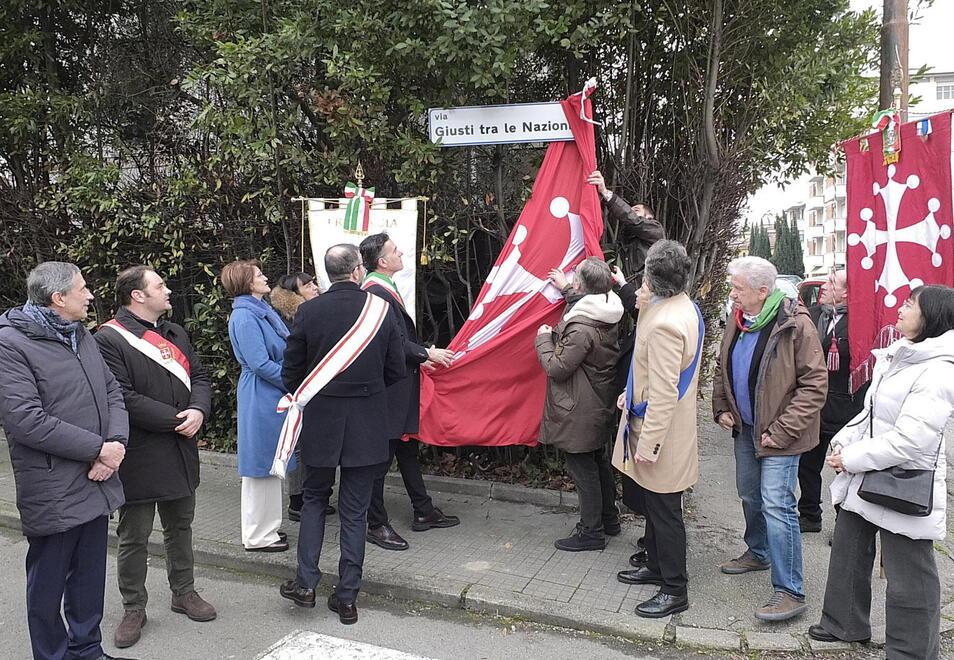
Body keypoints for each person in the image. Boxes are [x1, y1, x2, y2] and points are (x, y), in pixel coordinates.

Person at [808, 284, 954, 658]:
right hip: (869, 468)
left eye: (910, 304)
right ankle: (843, 623)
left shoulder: (938, 371)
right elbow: (871, 413)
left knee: (910, 574)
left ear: (932, 318)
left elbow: (911, 440)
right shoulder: (900, 356)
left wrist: (852, 458)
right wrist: (843, 441)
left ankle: (912, 651)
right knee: (849, 547)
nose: (901, 309)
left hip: (906, 480)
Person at [0, 262, 130, 660]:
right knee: (48, 583)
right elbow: (25, 420)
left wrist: (116, 444)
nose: (90, 295)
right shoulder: (11, 344)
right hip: (53, 486)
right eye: (82, 289)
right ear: (58, 299)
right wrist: (98, 449)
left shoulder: (81, 335)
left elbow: (111, 390)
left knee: (89, 577)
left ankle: (87, 650)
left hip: (97, 476)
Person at [279, 244, 405, 624]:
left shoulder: (308, 311)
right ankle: (347, 597)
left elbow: (291, 372)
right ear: (357, 271)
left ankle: (305, 584)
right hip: (367, 423)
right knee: (355, 512)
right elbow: (396, 369)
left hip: (321, 422)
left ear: (329, 273)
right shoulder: (380, 311)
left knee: (315, 500)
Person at [94, 266, 215, 649]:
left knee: (181, 527)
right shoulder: (108, 339)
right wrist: (177, 419)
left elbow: (201, 377)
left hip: (181, 447)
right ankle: (134, 607)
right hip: (141, 452)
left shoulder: (175, 332)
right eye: (159, 285)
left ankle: (184, 592)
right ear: (137, 296)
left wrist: (199, 411)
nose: (167, 290)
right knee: (135, 536)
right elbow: (122, 396)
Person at [711, 256, 827, 622]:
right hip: (745, 428)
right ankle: (758, 551)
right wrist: (721, 408)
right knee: (749, 493)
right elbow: (722, 365)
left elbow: (814, 385)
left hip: (782, 435)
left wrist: (780, 431)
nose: (732, 294)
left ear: (763, 291)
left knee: (777, 504)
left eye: (737, 288)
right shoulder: (739, 318)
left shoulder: (795, 324)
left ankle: (790, 590)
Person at [612, 241, 702, 618]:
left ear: (652, 277)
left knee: (665, 511)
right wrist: (630, 393)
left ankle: (674, 589)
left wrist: (648, 443)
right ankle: (654, 564)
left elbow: (665, 392)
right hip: (661, 423)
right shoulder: (682, 305)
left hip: (659, 432)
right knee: (654, 506)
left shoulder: (665, 322)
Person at [358, 233, 459, 552]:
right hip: (388, 389)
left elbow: (398, 337)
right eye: (394, 250)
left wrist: (422, 354)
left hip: (398, 384)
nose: (401, 252)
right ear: (382, 262)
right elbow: (391, 341)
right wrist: (426, 354)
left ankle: (423, 510)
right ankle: (375, 523)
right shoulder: (376, 291)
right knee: (380, 458)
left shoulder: (383, 288)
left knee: (406, 450)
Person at [536, 257, 622, 551]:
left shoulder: (581, 328)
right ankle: (609, 520)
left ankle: (591, 533)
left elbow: (557, 368)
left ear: (579, 285)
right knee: (597, 463)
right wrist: (566, 290)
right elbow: (584, 302)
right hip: (597, 403)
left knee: (583, 469)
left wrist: (543, 340)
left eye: (574, 279)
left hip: (579, 408)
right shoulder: (608, 310)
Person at [222, 259, 290, 553]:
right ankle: (257, 535)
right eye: (259, 274)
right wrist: (293, 381)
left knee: (269, 463)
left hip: (269, 391)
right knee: (260, 465)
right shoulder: (246, 317)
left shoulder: (257, 311)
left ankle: (268, 529)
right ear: (247, 283)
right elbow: (260, 363)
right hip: (263, 392)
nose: (265, 277)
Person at [798, 269, 866, 533]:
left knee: (844, 467)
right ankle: (809, 515)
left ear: (847, 291)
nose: (824, 287)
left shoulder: (861, 323)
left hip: (846, 408)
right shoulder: (813, 316)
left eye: (831, 283)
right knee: (807, 464)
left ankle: (843, 524)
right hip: (814, 406)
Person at [270, 272, 335, 522]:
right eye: (307, 285)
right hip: (298, 390)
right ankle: (297, 500)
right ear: (293, 295)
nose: (314, 287)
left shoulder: (313, 313)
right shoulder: (289, 319)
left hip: (315, 387)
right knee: (298, 445)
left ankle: (312, 495)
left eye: (313, 282)